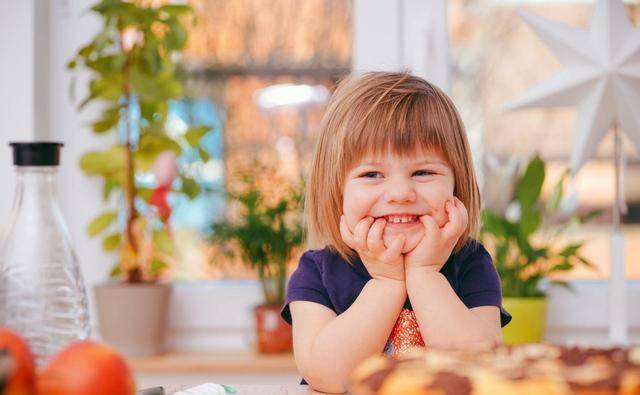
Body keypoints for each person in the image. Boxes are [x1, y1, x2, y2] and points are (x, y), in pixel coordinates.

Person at [280, 72, 511, 393]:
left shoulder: (470, 263)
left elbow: (480, 371)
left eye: (423, 172)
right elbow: (327, 375)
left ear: (457, 186)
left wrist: (425, 274)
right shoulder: (317, 272)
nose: (400, 193)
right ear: (337, 191)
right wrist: (387, 282)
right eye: (372, 174)